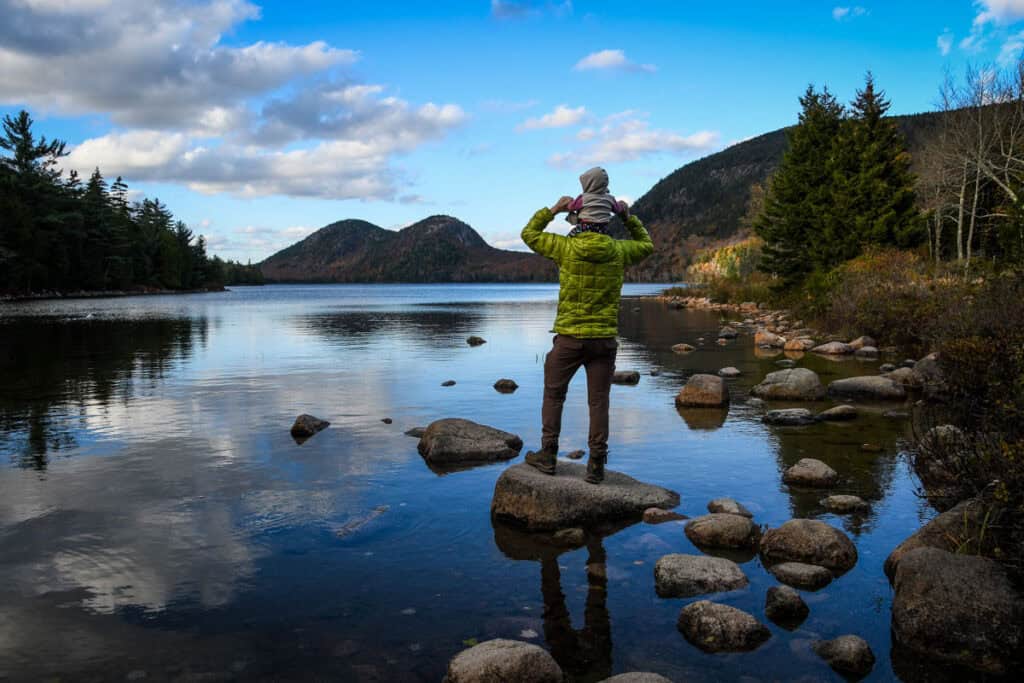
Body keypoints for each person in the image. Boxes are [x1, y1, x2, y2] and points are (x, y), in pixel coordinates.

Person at [520, 166, 654, 484]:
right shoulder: (620, 251)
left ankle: (548, 456)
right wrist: (628, 217)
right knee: (599, 401)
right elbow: (646, 245)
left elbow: (529, 235)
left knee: (554, 395)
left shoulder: (566, 248)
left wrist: (553, 210)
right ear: (607, 217)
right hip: (603, 340)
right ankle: (596, 466)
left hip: (569, 338)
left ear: (578, 217)